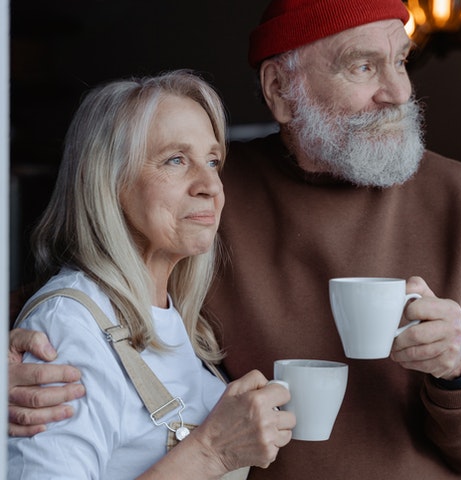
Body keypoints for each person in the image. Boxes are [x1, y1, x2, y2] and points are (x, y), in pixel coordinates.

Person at [9, 0, 461, 478]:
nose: (398, 91)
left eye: (400, 62)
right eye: (364, 66)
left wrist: (458, 368)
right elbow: (82, 299)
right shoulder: (207, 199)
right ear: (281, 89)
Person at [7, 70, 294, 479]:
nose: (210, 184)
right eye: (176, 160)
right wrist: (211, 452)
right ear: (109, 181)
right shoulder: (69, 330)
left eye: (213, 161)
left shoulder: (173, 317)